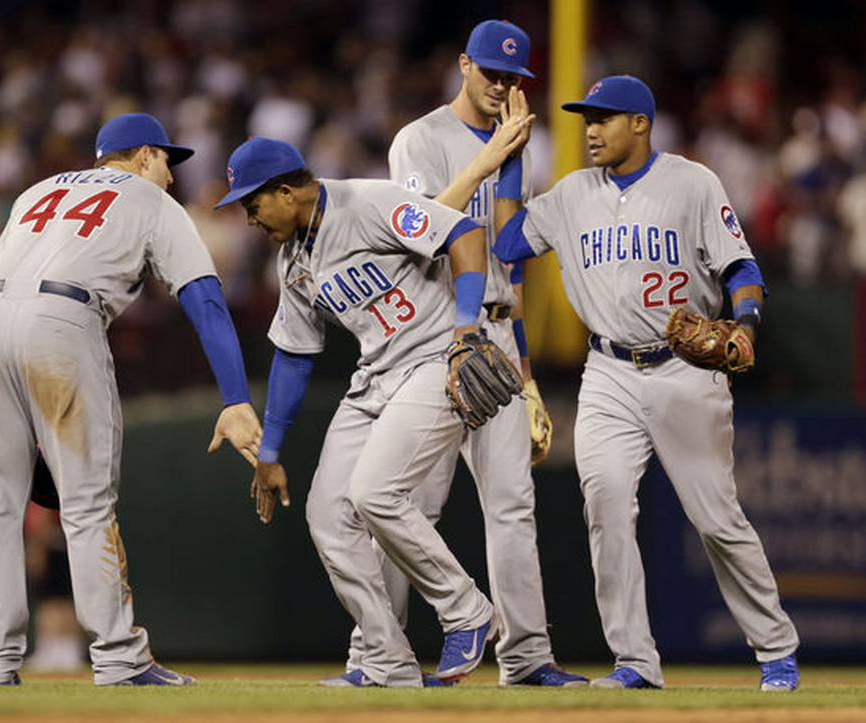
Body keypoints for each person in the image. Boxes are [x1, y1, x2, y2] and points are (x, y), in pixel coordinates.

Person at [493, 75, 800, 691]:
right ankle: (635, 661)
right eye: (587, 120)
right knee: (604, 504)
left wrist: (744, 325)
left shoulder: (692, 182)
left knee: (715, 518)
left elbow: (741, 266)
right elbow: (505, 243)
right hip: (606, 371)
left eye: (605, 118)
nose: (592, 130)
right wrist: (508, 162)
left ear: (641, 123)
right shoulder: (572, 193)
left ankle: (776, 651)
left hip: (685, 369)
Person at [0, 112, 262, 686]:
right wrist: (234, 395)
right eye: (167, 163)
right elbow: (203, 297)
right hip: (62, 320)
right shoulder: (150, 200)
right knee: (86, 502)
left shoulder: (36, 190)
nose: (172, 178)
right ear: (144, 154)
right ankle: (121, 658)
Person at [214, 136, 510, 688]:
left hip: (436, 357)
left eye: (251, 204)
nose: (249, 219)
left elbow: (463, 233)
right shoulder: (293, 258)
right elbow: (294, 356)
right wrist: (270, 453)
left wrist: (467, 325)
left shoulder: (369, 202)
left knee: (375, 493)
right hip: (376, 375)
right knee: (327, 514)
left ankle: (466, 610)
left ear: (285, 192)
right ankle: (385, 659)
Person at [343, 19, 587, 688]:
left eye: (513, 77)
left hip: (498, 333)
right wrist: (490, 159)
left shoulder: (517, 147)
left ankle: (526, 655)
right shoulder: (418, 139)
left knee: (512, 502)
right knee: (403, 500)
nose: (501, 85)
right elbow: (423, 234)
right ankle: (376, 657)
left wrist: (529, 371)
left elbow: (506, 253)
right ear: (462, 65)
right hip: (431, 337)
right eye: (491, 72)